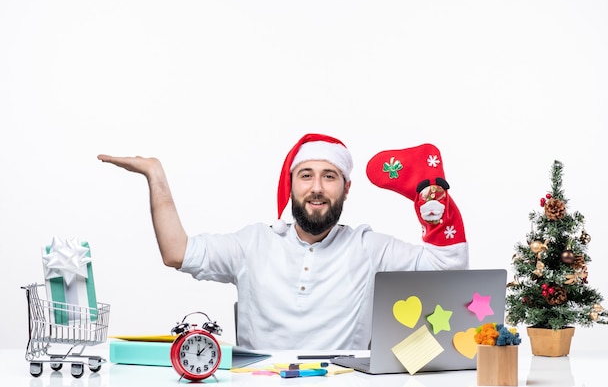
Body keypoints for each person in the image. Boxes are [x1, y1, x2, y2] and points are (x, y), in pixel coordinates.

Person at [98, 133, 468, 350]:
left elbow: (449, 266)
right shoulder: (254, 244)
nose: (317, 188)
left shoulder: (368, 248)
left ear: (347, 188)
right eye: (306, 175)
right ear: (292, 185)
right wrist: (155, 175)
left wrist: (429, 196)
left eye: (330, 176)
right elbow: (176, 252)